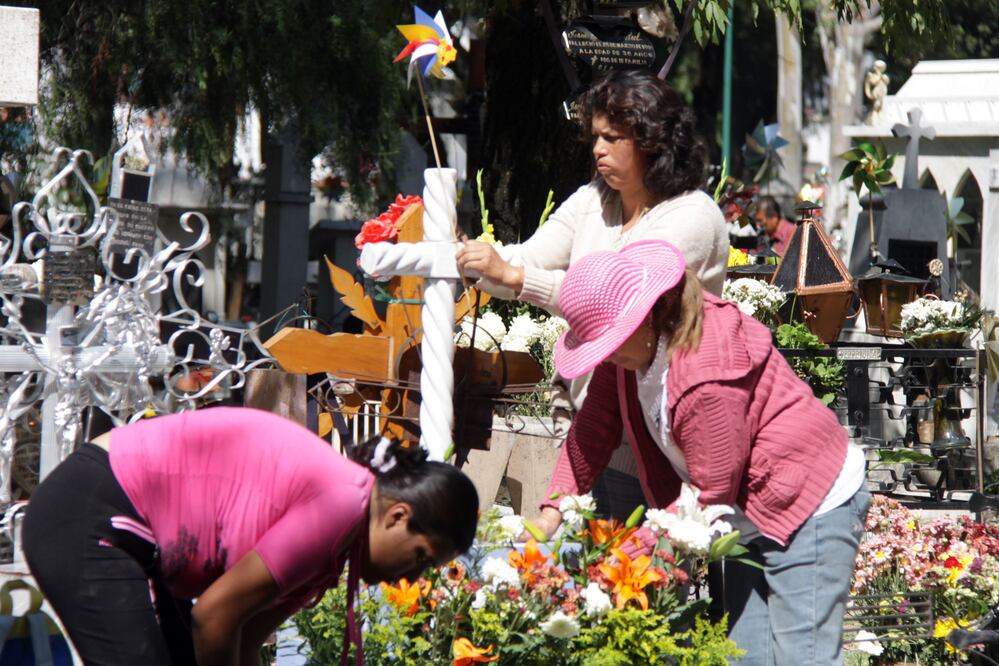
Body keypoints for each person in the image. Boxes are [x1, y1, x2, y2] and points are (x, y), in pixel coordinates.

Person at [534, 239, 869, 666]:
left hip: (810, 503)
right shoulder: (631, 348)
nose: (608, 355)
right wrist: (551, 511)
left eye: (610, 342)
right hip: (751, 514)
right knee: (746, 658)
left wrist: (625, 562)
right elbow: (593, 430)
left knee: (804, 657)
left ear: (648, 315)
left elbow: (712, 493)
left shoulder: (703, 376)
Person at [456, 68, 728, 519]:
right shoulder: (594, 199)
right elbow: (527, 258)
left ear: (654, 140)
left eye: (614, 137)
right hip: (595, 427)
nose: (598, 149)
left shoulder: (692, 216)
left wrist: (515, 277)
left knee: (646, 582)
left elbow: (618, 303)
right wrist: (470, 259)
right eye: (596, 136)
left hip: (663, 442)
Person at [23, 407, 479, 666]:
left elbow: (242, 641)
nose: (411, 577)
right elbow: (214, 618)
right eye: (420, 557)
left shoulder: (338, 548)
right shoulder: (342, 504)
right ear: (398, 516)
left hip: (125, 530)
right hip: (89, 509)